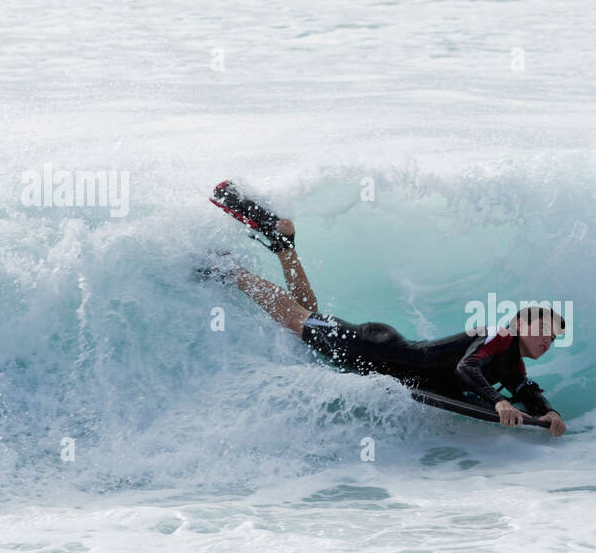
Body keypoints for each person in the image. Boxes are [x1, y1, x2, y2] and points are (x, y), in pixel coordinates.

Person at [200, 182, 568, 436]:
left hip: (382, 352)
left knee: (305, 311)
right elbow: (467, 367)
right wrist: (500, 403)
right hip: (375, 348)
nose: (548, 340)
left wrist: (548, 412)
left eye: (552, 338)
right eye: (543, 331)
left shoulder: (510, 358)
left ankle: (284, 245)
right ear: (519, 323)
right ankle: (228, 269)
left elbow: (525, 386)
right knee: (295, 318)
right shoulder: (498, 334)